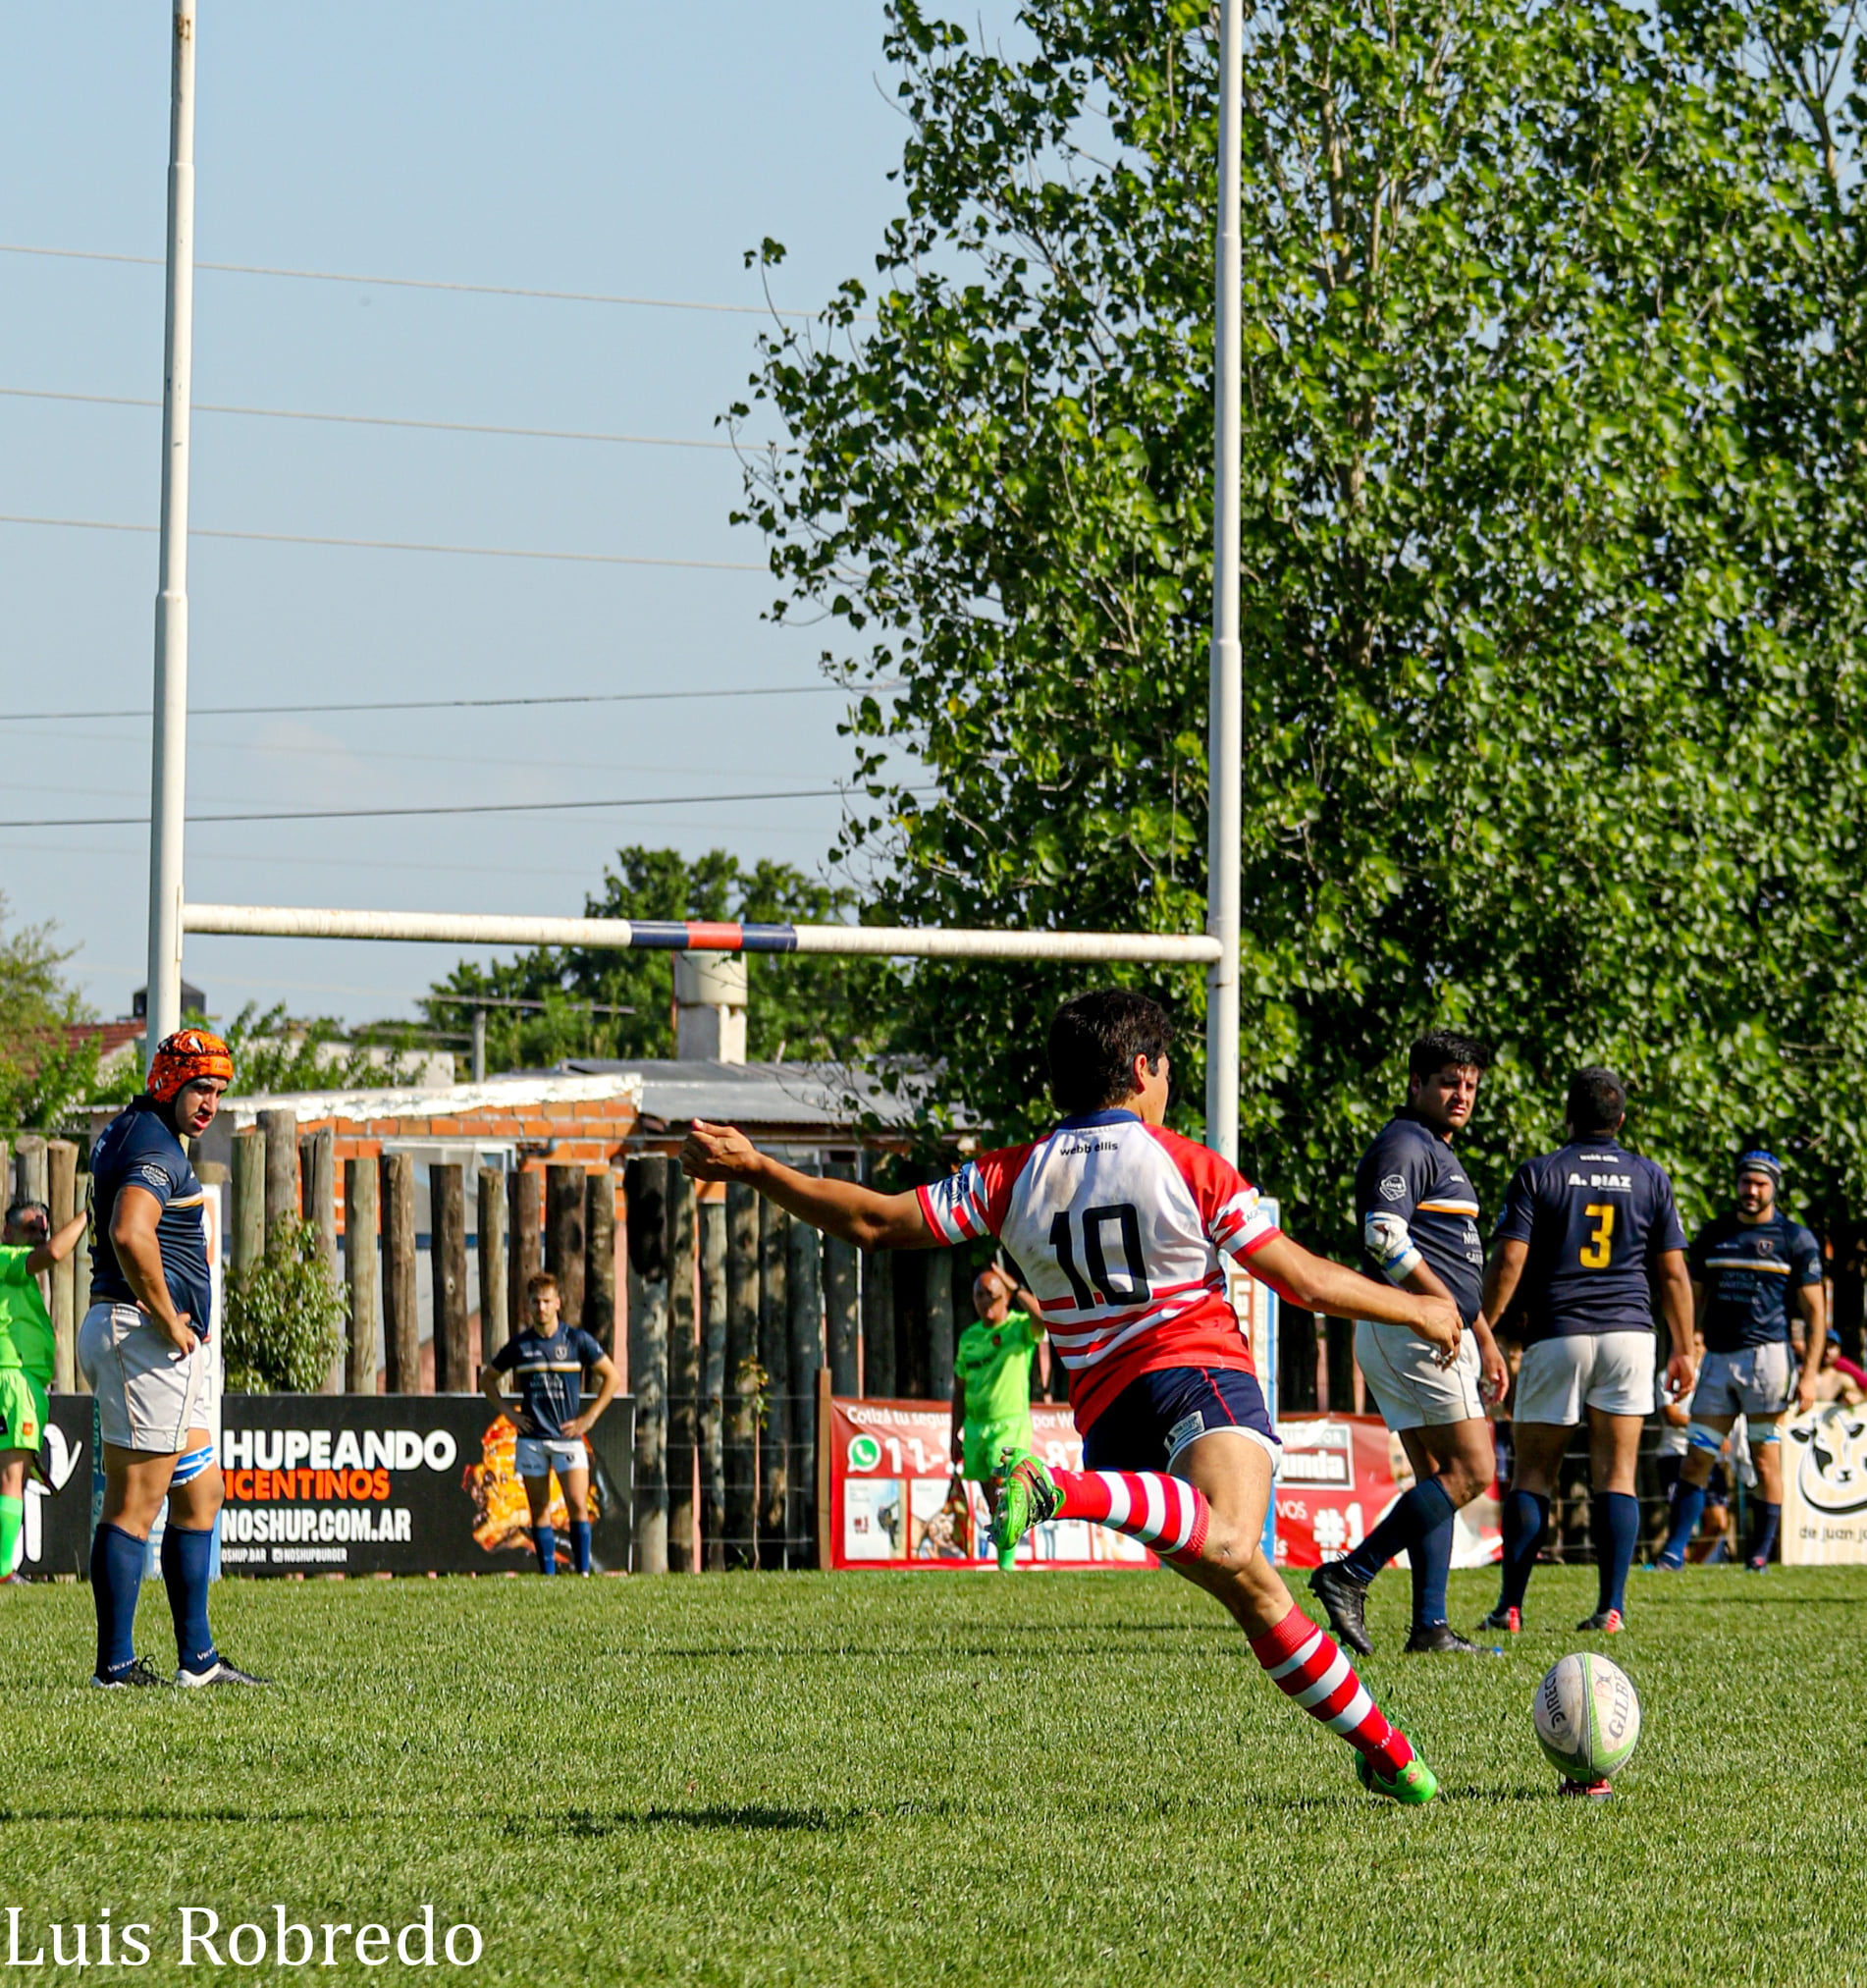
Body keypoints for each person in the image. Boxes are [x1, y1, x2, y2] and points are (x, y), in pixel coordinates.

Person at [681, 990, 1463, 1804]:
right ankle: (1058, 1489)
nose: (1169, 1085)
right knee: (1234, 1538)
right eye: (1167, 1069)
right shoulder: (1186, 1162)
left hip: (1111, 1419)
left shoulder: (1011, 1174)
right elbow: (1300, 1278)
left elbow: (876, 1223)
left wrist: (759, 1168)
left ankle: (1389, 1753)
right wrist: (1419, 1305)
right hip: (1196, 1374)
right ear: (1141, 1069)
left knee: (1256, 1588)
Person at [1476, 1068, 1694, 1665]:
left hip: (1560, 1333)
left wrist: (1485, 1326)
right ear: (1620, 1120)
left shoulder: (1540, 1172)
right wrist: (1684, 1347)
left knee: (1533, 1475)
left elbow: (1510, 1260)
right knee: (1616, 1475)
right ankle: (1611, 1607)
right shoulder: (1651, 1176)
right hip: (1630, 1334)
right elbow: (1673, 1272)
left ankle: (1511, 1607)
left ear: (1567, 1116)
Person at [1310, 1029, 1508, 1657]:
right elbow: (1383, 1236)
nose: (1462, 1094)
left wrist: (1483, 1332)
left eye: (1471, 1084)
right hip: (1411, 1325)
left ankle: (1429, 1628)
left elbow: (1447, 1260)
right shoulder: (1404, 1142)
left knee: (1436, 1474)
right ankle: (1351, 1574)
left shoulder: (1434, 1148)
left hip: (1426, 1325)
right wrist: (1440, 1305)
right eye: (1449, 1081)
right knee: (1473, 1470)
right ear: (1415, 1084)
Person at [78, 1028, 264, 1687]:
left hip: (150, 1341)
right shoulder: (155, 1143)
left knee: (201, 1489)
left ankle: (199, 1661)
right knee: (135, 1500)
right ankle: (116, 1668)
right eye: (200, 1087)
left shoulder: (135, 1130)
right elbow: (129, 1229)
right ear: (168, 1080)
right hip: (142, 1338)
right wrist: (164, 1314)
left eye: (218, 1089)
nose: (210, 1101)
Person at [1652, 1148, 1825, 1573]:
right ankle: (1673, 1553)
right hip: (1718, 1358)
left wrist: (1810, 1375)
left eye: (1761, 1184)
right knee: (1698, 1454)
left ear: (1774, 1188)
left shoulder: (1795, 1239)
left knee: (1765, 1459)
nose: (1751, 1190)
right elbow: (1693, 1293)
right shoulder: (1714, 1234)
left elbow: (1817, 1311)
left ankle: (1760, 1555)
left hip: (1769, 1360)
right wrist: (1686, 1345)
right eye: (1746, 1182)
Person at [481, 1269, 618, 1575]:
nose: (540, 1308)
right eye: (534, 1302)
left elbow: (613, 1377)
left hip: (568, 1439)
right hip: (532, 1441)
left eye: (545, 1301)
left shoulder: (576, 1340)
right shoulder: (520, 1345)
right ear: (528, 1307)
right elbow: (487, 1379)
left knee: (578, 1506)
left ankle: (583, 1573)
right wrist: (510, 1413)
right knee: (539, 1509)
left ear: (558, 1303)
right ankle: (548, 1577)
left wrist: (589, 1417)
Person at [0, 1197, 89, 1580]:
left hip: (25, 1380)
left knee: (14, 1475)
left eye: (41, 1231)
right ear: (7, 1233)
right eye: (29, 1230)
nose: (38, 1239)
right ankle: (3, 1568)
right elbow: (54, 1252)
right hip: (13, 1377)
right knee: (11, 1475)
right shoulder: (6, 1257)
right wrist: (89, 1212)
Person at [950, 1263, 1045, 1571]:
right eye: (978, 1295)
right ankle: (1006, 1559)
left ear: (1005, 1298)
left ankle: (1007, 1566)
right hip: (976, 1429)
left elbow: (1044, 1319)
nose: (983, 1301)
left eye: (990, 1294)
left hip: (1009, 1426)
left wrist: (1016, 1287)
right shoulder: (969, 1337)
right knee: (992, 1499)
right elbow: (959, 1388)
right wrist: (955, 1433)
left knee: (1001, 1488)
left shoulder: (1018, 1328)